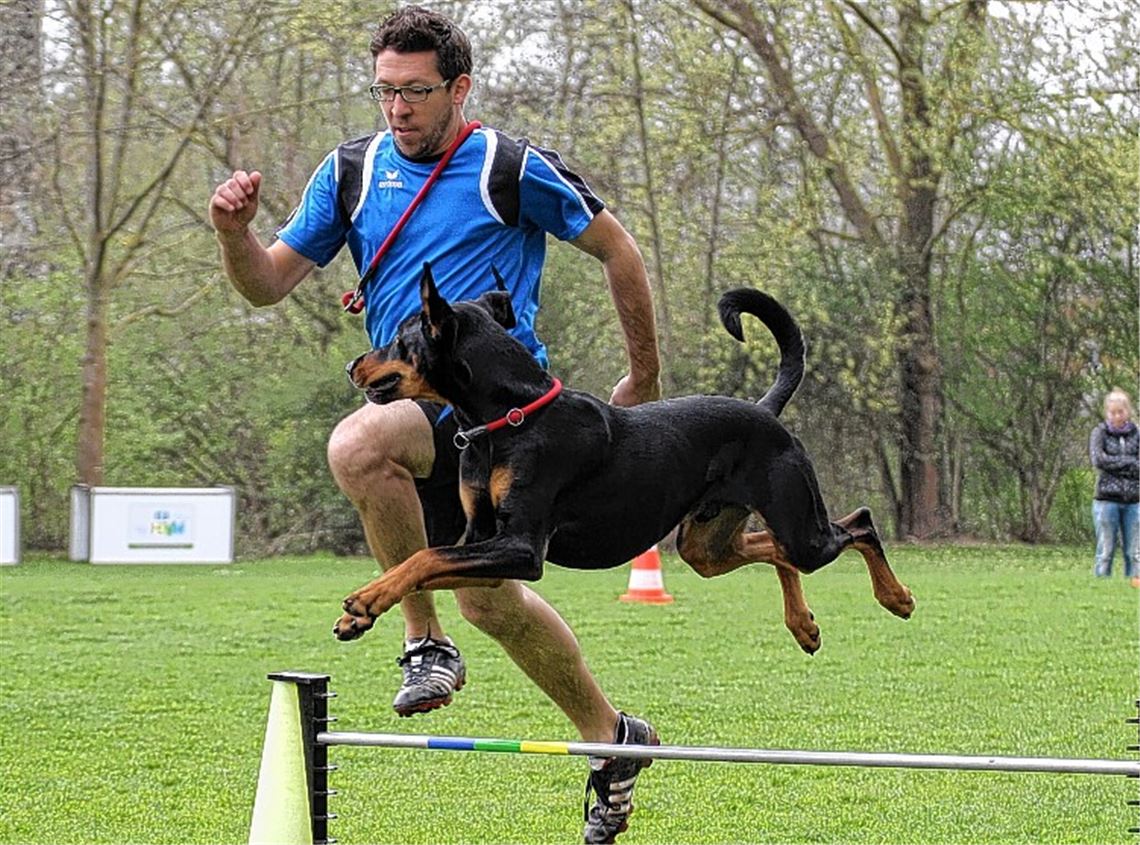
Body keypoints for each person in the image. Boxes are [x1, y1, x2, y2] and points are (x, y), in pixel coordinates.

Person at [208, 6, 662, 842]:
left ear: (459, 87)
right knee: (478, 585)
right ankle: (599, 729)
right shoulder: (349, 172)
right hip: (418, 405)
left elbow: (619, 252)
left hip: (503, 415)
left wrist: (645, 374)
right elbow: (267, 284)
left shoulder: (510, 167)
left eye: (416, 92)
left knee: (375, 462)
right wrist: (233, 235)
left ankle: (452, 656)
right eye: (384, 92)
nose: (398, 109)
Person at [1089, 388, 1139, 586]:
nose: (1117, 416)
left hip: (1134, 499)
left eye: (1121, 411)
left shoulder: (1137, 434)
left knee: (1134, 552)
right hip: (1106, 499)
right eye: (1113, 412)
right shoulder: (1099, 433)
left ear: (1128, 411)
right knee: (1106, 550)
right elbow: (1099, 461)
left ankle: (1133, 585)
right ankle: (1101, 586)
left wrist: (1117, 463)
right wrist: (1128, 463)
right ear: (1107, 413)